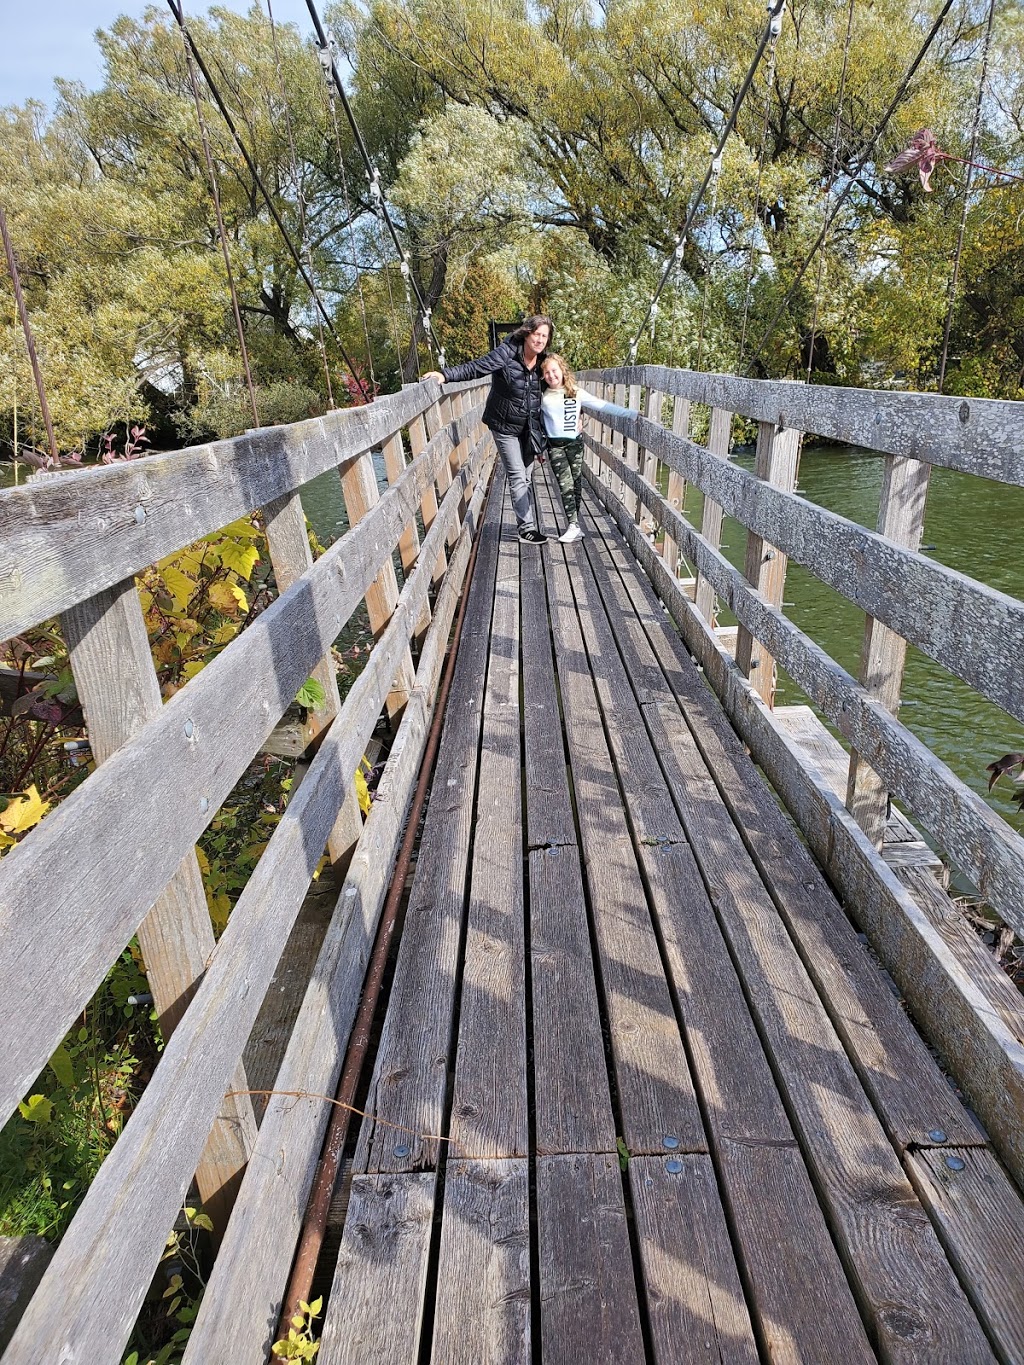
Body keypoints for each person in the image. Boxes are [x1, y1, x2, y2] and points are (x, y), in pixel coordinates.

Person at [424, 315, 552, 544]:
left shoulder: (545, 361)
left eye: (545, 336)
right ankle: (527, 529)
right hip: (504, 425)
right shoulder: (506, 353)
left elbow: (559, 388)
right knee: (517, 476)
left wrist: (568, 421)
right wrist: (445, 375)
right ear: (527, 333)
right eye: (537, 334)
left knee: (527, 477)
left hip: (529, 429)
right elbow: (478, 367)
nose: (540, 339)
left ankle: (527, 522)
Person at [539, 353, 639, 543]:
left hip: (574, 443)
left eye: (554, 370)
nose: (551, 375)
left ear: (562, 370)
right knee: (565, 484)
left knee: (576, 483)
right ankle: (573, 525)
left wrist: (631, 414)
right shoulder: (541, 396)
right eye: (547, 372)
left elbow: (602, 405)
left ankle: (574, 526)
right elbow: (535, 420)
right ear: (543, 375)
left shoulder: (575, 392)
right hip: (554, 446)